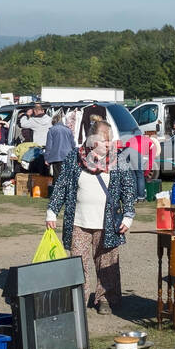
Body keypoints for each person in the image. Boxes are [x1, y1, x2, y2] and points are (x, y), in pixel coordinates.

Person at [45, 118, 137, 315]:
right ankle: (80, 298)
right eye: (105, 141)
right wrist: (52, 211)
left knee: (107, 264)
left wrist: (128, 216)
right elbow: (61, 186)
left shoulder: (119, 160)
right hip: (79, 221)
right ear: (93, 141)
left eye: (110, 140)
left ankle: (105, 299)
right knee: (78, 262)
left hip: (108, 222)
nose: (110, 144)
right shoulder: (74, 159)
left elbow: (129, 189)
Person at [44, 110, 74, 179]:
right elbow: (73, 144)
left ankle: (58, 189)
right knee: (67, 178)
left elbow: (49, 146)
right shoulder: (68, 130)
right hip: (68, 157)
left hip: (56, 157)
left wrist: (46, 158)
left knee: (57, 178)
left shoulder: (51, 130)